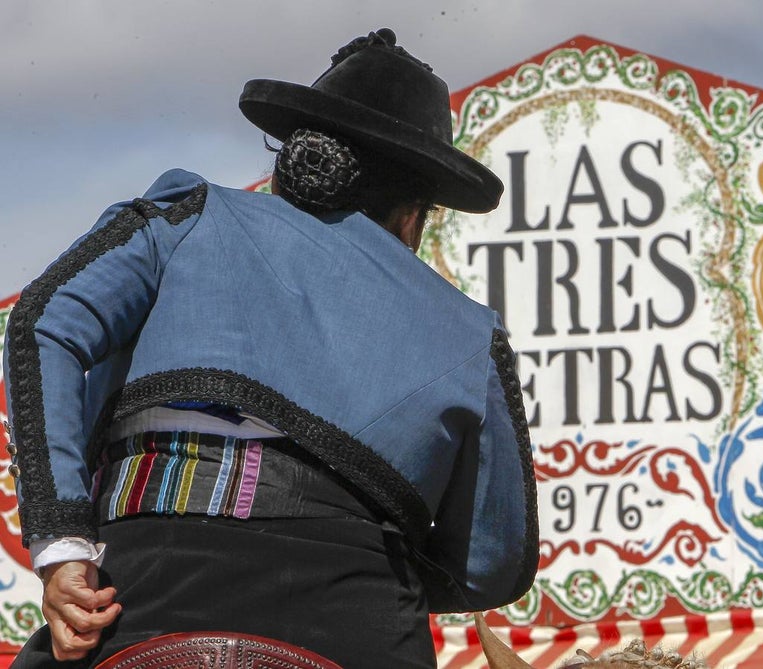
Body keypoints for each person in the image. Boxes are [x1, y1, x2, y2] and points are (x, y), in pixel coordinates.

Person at [3, 27, 538, 669]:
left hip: (142, 590)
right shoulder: (472, 332)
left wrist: (64, 541)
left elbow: (41, 321)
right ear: (411, 216)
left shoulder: (189, 214)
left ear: (295, 169)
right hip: (359, 621)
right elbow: (492, 567)